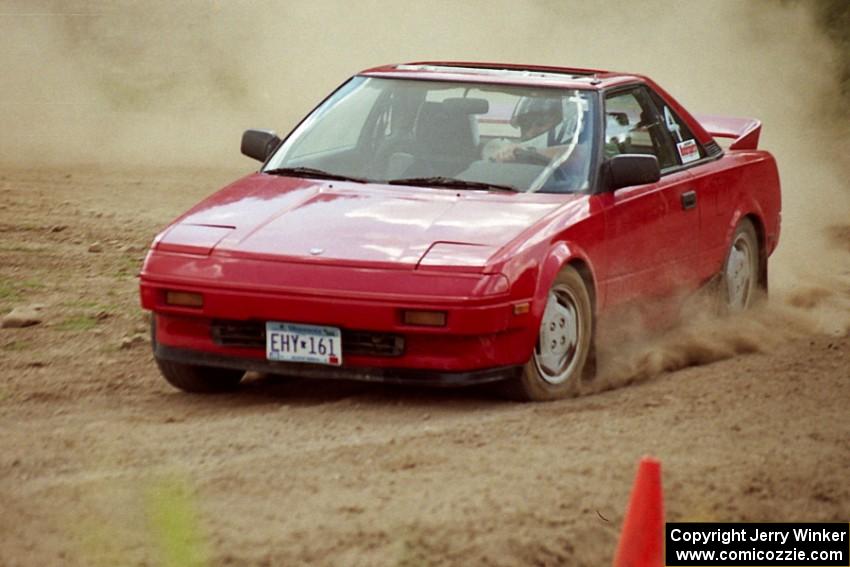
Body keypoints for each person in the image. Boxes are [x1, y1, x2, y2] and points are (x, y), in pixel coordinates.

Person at [483, 96, 569, 163]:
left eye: (540, 124)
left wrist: (531, 152)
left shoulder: (577, 153)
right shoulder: (513, 150)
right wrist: (505, 152)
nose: (529, 133)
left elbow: (576, 154)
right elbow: (494, 148)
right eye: (526, 125)